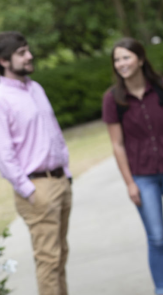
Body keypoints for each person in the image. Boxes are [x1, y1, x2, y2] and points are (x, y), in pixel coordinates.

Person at [0, 32, 72, 295]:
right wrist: (29, 190)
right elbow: (2, 155)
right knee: (49, 261)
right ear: (4, 61)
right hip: (37, 189)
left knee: (60, 256)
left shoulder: (35, 88)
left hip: (60, 182)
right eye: (22, 52)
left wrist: (66, 173)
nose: (29, 56)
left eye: (27, 50)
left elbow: (54, 132)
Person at [102, 37, 163, 295]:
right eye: (117, 59)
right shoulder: (113, 99)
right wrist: (130, 183)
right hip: (143, 176)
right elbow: (117, 145)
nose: (121, 63)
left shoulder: (160, 86)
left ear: (139, 58)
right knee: (157, 237)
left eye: (126, 57)